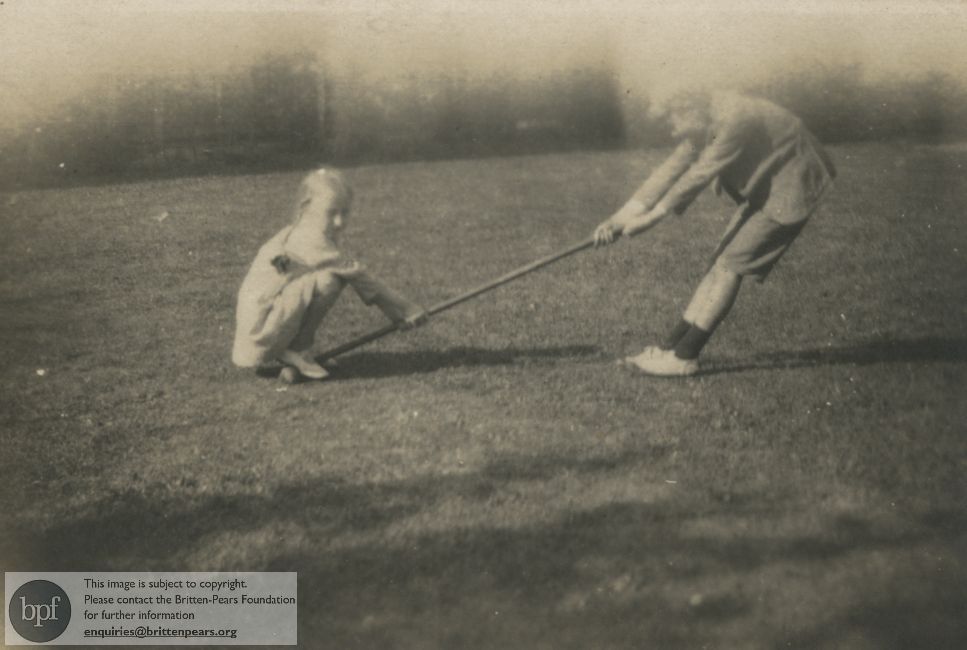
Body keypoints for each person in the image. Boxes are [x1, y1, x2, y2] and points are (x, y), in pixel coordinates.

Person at [593, 90, 836, 376]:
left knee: (730, 265)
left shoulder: (735, 117)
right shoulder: (704, 118)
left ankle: (685, 357)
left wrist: (650, 219)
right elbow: (670, 170)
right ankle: (670, 349)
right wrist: (617, 219)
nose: (671, 129)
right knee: (719, 262)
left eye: (671, 119)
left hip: (795, 185)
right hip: (769, 187)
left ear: (686, 105)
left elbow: (700, 174)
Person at [232, 168, 427, 380]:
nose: (339, 222)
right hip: (261, 330)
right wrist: (406, 309)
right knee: (330, 280)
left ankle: (297, 349)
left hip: (262, 323)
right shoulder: (310, 239)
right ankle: (298, 350)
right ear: (306, 207)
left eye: (344, 212)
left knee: (325, 278)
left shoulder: (301, 229)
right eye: (331, 212)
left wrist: (397, 312)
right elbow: (358, 275)